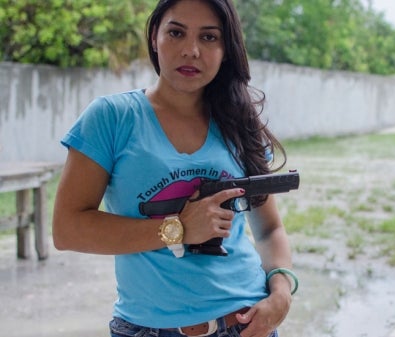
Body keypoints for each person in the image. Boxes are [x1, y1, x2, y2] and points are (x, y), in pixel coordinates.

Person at [52, 1, 297, 336]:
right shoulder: (111, 118)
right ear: (155, 37)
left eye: (209, 37)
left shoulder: (240, 123)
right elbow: (67, 229)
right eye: (176, 32)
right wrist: (178, 228)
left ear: (227, 49)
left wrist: (281, 292)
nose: (191, 50)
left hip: (245, 322)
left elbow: (269, 230)